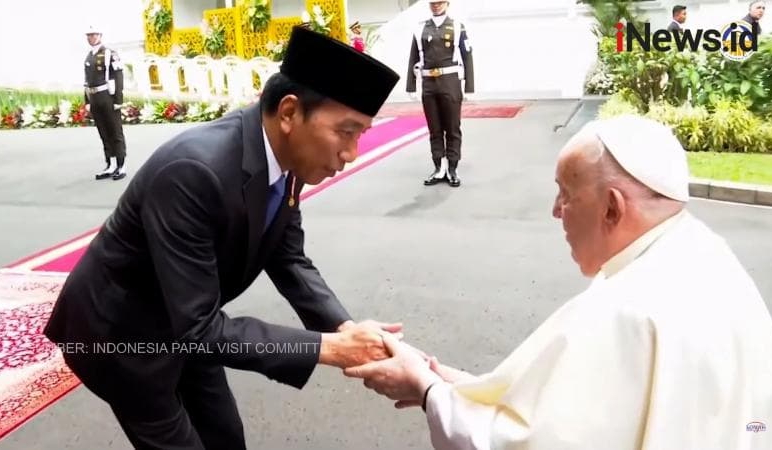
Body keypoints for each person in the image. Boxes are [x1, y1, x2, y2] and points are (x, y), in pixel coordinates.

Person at [45, 26, 402, 449]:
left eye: (361, 134)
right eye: (346, 132)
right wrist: (331, 348)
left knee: (226, 437)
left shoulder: (287, 160)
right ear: (289, 113)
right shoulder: (194, 171)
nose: (352, 153)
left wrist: (345, 328)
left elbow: (289, 260)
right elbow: (199, 329)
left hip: (189, 320)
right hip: (122, 337)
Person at [345, 115, 772, 450]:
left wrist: (426, 390)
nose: (555, 210)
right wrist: (454, 382)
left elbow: (528, 442)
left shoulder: (625, 309)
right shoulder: (703, 253)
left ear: (612, 207)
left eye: (566, 194)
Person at [406, 0, 474, 187]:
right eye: (433, 3)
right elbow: (413, 57)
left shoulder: (457, 27)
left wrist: (469, 86)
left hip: (450, 83)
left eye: (439, 2)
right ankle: (439, 168)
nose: (436, 5)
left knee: (452, 128)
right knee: (434, 130)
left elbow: (467, 55)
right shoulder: (420, 29)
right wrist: (411, 86)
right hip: (429, 84)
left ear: (447, 3)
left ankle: (452, 168)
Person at [83, 25, 127, 181]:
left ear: (100, 35)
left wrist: (118, 100)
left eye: (94, 34)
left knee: (115, 131)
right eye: (89, 35)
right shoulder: (89, 56)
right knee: (104, 133)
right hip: (95, 97)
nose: (91, 37)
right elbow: (87, 81)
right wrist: (87, 100)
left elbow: (119, 76)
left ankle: (121, 165)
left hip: (107, 96)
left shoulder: (109, 53)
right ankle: (110, 163)